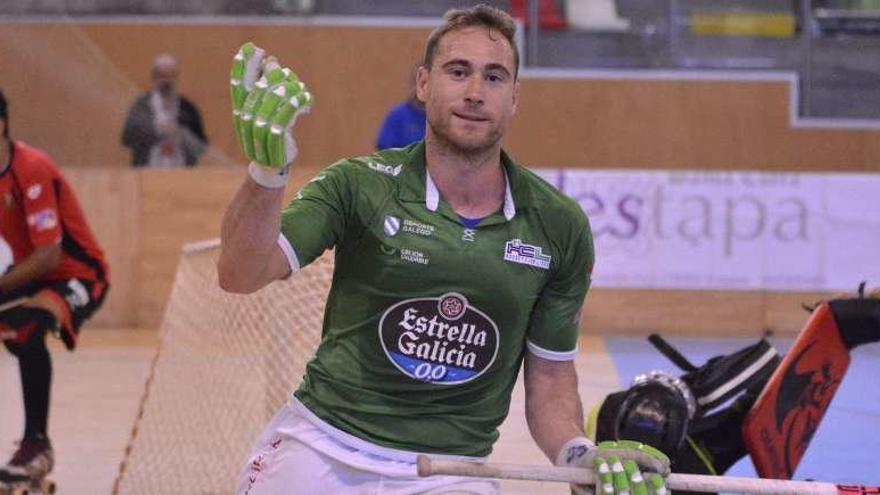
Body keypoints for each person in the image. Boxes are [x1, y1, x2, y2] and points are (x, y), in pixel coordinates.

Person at [220, 5, 669, 495]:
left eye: (494, 77)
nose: (475, 93)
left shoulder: (558, 226)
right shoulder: (357, 184)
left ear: (514, 97)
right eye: (458, 72)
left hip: (453, 472)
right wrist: (267, 175)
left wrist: (580, 453)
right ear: (423, 84)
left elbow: (550, 381)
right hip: (321, 448)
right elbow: (239, 274)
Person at [0, 88, 110, 486]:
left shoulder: (30, 167)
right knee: (17, 326)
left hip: (76, 274)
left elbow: (48, 255)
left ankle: (36, 444)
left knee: (25, 329)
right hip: (25, 275)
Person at [121, 53, 207, 167]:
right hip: (147, 174)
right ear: (154, 77)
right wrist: (157, 130)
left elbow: (201, 149)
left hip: (182, 176)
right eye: (162, 76)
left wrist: (181, 135)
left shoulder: (187, 109)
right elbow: (127, 138)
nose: (167, 81)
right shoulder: (141, 106)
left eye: (171, 76)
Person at [375, 65, 426, 150]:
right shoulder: (397, 115)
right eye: (415, 83)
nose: (419, 88)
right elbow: (384, 150)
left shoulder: (438, 116)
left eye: (424, 84)